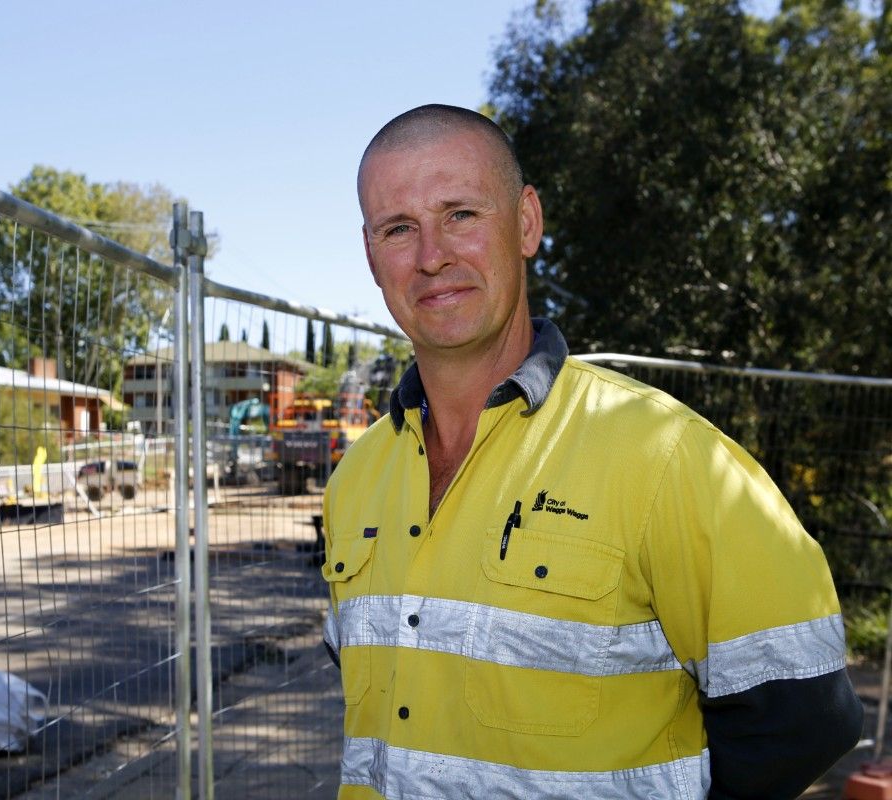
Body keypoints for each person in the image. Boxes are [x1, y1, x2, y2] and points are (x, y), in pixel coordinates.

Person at [321, 104, 863, 799]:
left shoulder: (667, 455)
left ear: (526, 223)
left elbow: (806, 718)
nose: (432, 256)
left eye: (461, 214)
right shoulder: (355, 480)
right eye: (399, 228)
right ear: (371, 255)